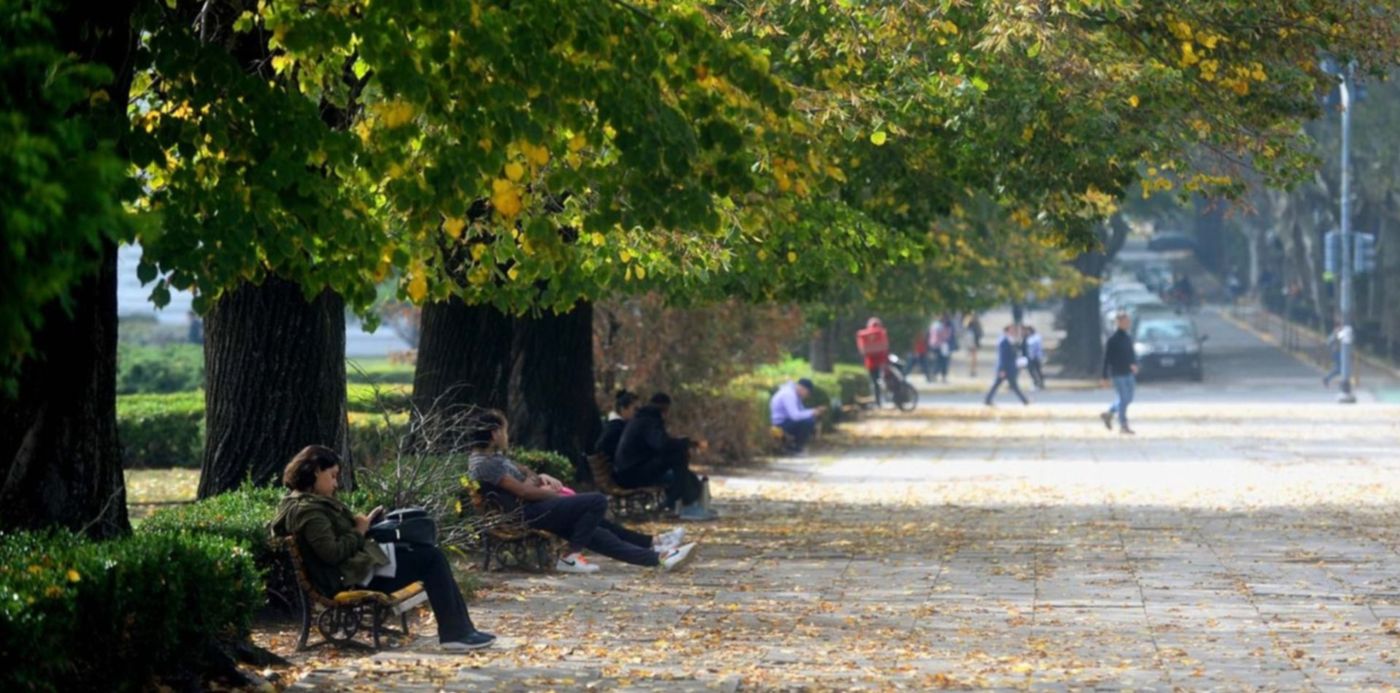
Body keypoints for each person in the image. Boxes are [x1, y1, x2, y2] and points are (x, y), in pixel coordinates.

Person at [271, 445, 497, 651]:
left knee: (428, 554)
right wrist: (359, 530)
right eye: (332, 476)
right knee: (431, 558)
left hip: (354, 571)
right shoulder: (309, 511)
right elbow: (332, 554)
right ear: (315, 471)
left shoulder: (304, 503)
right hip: (349, 579)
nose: (336, 483)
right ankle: (455, 634)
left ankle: (461, 631)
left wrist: (366, 525)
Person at [468, 410, 694, 573]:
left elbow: (526, 474)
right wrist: (553, 494)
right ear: (494, 433)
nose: (508, 435)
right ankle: (571, 555)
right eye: (505, 430)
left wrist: (539, 479)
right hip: (527, 513)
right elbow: (524, 492)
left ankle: (659, 558)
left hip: (535, 507)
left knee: (599, 535)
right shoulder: (484, 464)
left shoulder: (494, 458)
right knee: (596, 501)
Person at [614, 393, 713, 521]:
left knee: (680, 460)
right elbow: (661, 444)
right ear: (665, 409)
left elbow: (658, 445)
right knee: (679, 454)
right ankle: (673, 502)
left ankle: (679, 500)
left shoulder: (642, 417)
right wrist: (686, 443)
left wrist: (684, 443)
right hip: (632, 475)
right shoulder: (650, 420)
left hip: (628, 471)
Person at [1100, 311, 1138, 434]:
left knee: (1128, 398)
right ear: (1118, 322)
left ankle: (1109, 413)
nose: (1127, 324)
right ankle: (1123, 424)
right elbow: (1106, 358)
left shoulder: (1127, 337)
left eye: (1128, 321)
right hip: (1118, 373)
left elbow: (1130, 353)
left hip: (1128, 372)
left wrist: (1134, 364)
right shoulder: (1113, 339)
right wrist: (1105, 376)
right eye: (1125, 321)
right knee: (1123, 399)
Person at [769, 378, 827, 454]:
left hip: (787, 421)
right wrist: (812, 412)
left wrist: (815, 410)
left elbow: (801, 411)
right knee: (808, 422)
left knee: (809, 419)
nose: (807, 396)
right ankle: (796, 448)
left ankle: (794, 446)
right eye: (807, 393)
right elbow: (795, 416)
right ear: (803, 389)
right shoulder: (789, 394)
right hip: (780, 424)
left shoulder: (795, 394)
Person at [984, 324, 1029, 406]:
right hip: (1005, 368)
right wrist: (1002, 369)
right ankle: (1025, 401)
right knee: (999, 385)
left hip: (1010, 368)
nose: (1013, 331)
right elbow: (1002, 357)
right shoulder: (1003, 341)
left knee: (1013, 386)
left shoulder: (1010, 340)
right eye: (1011, 330)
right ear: (1007, 331)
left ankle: (1025, 401)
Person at [593, 390, 640, 461]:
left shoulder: (613, 425)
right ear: (623, 409)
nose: (638, 413)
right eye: (636, 409)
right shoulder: (617, 428)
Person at [856, 317, 890, 406]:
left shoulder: (865, 334)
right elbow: (885, 347)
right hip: (881, 361)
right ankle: (885, 396)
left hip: (870, 362)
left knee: (874, 382)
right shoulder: (881, 332)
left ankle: (877, 400)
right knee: (882, 379)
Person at [1323, 321, 1346, 389]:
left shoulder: (1337, 332)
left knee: (1340, 368)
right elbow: (1332, 340)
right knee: (1340, 369)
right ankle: (1327, 378)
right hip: (1337, 352)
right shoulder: (1338, 332)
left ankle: (1328, 379)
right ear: (1338, 326)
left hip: (1338, 352)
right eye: (1341, 326)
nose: (1342, 327)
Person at [1024, 326, 1046, 391]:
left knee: (1038, 370)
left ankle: (1040, 384)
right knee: (1032, 370)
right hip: (1031, 357)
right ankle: (1036, 383)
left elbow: (1036, 348)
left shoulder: (1036, 337)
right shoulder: (1029, 337)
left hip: (1036, 357)